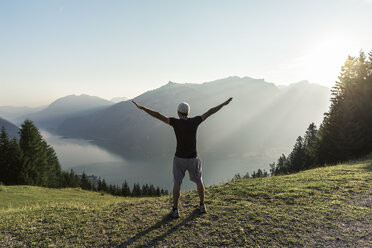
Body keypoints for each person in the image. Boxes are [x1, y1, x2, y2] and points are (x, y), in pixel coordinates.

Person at [132, 97, 233, 218]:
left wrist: (142, 108)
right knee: (199, 180)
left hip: (179, 158)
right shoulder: (195, 121)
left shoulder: (175, 122)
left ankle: (175, 210)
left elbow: (158, 115)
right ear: (188, 112)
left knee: (177, 183)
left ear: (178, 112)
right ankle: (202, 205)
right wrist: (223, 103)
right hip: (193, 158)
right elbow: (210, 111)